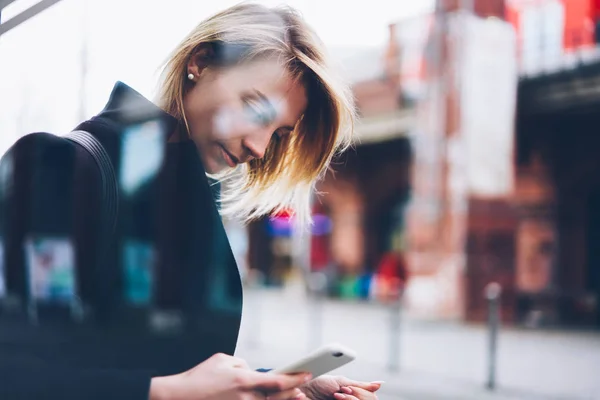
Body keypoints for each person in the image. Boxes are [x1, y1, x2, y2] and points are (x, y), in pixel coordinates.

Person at [0, 3, 384, 400]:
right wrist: (167, 393)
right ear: (199, 62)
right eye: (254, 107)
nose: (258, 146)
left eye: (279, 133)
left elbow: (165, 364)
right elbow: (12, 372)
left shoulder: (191, 204)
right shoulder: (59, 168)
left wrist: (274, 384)